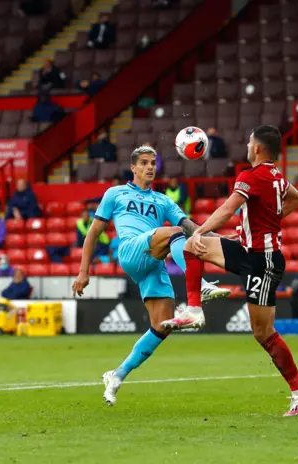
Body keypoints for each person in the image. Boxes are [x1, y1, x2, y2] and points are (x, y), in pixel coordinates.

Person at [161, 126, 298, 416]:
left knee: (263, 333)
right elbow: (294, 197)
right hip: (249, 250)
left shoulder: (251, 176)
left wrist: (202, 230)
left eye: (249, 141)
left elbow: (225, 211)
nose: (246, 144)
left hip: (264, 261)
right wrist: (257, 226)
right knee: (190, 248)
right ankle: (194, 309)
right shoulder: (278, 177)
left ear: (257, 148)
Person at [71, 145, 231, 406]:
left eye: (153, 163)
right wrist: (83, 271)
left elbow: (193, 228)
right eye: (144, 163)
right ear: (133, 167)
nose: (149, 168)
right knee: (173, 232)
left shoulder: (163, 200)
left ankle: (117, 374)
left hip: (153, 262)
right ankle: (199, 287)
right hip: (132, 250)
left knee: (162, 324)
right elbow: (93, 232)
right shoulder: (115, 193)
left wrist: (223, 241)